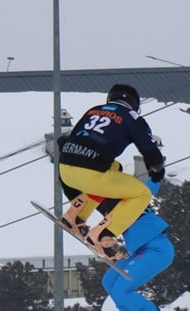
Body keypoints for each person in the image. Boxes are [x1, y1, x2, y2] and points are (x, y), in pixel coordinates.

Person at [58, 83, 165, 260]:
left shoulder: (94, 110)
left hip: (66, 170)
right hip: (91, 174)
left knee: (115, 168)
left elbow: (65, 140)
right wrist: (156, 169)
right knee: (141, 194)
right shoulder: (132, 117)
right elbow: (151, 152)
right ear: (135, 105)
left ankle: (75, 216)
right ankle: (103, 235)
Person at [101, 178, 180, 311]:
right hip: (141, 250)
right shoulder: (111, 208)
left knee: (122, 289)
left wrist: (155, 167)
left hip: (158, 249)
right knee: (110, 281)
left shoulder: (131, 195)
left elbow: (152, 183)